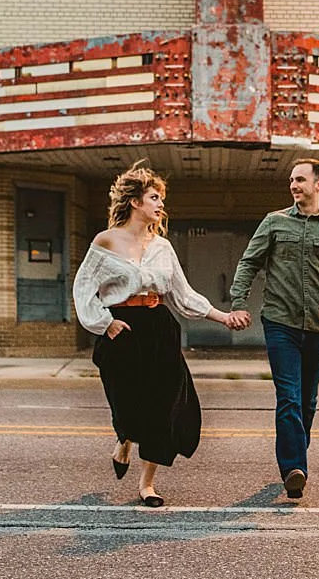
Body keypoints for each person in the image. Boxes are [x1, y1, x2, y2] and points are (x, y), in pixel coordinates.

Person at [73, 161, 240, 507]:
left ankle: (147, 484)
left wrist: (222, 317)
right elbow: (83, 289)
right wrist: (105, 324)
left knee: (164, 408)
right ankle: (124, 440)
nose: (160, 205)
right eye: (154, 197)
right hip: (122, 329)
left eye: (160, 199)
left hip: (159, 329)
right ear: (135, 202)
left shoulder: (162, 247)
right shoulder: (106, 241)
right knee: (127, 404)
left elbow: (183, 293)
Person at [225, 157, 319, 500]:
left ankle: (295, 461)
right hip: (280, 322)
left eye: (300, 179)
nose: (293, 185)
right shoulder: (274, 222)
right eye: (291, 179)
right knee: (288, 396)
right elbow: (250, 262)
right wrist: (239, 301)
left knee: (308, 402)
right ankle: (293, 468)